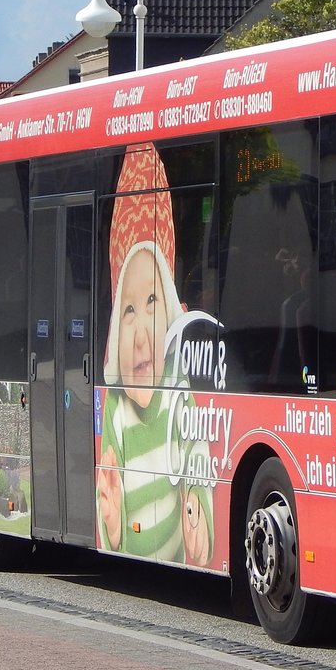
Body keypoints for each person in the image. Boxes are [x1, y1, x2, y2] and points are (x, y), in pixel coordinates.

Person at [96, 142, 214, 567]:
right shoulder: (115, 410)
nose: (142, 333)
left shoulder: (179, 388)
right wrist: (110, 521)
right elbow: (108, 490)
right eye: (128, 311)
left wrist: (198, 511)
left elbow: (198, 455)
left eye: (152, 302)